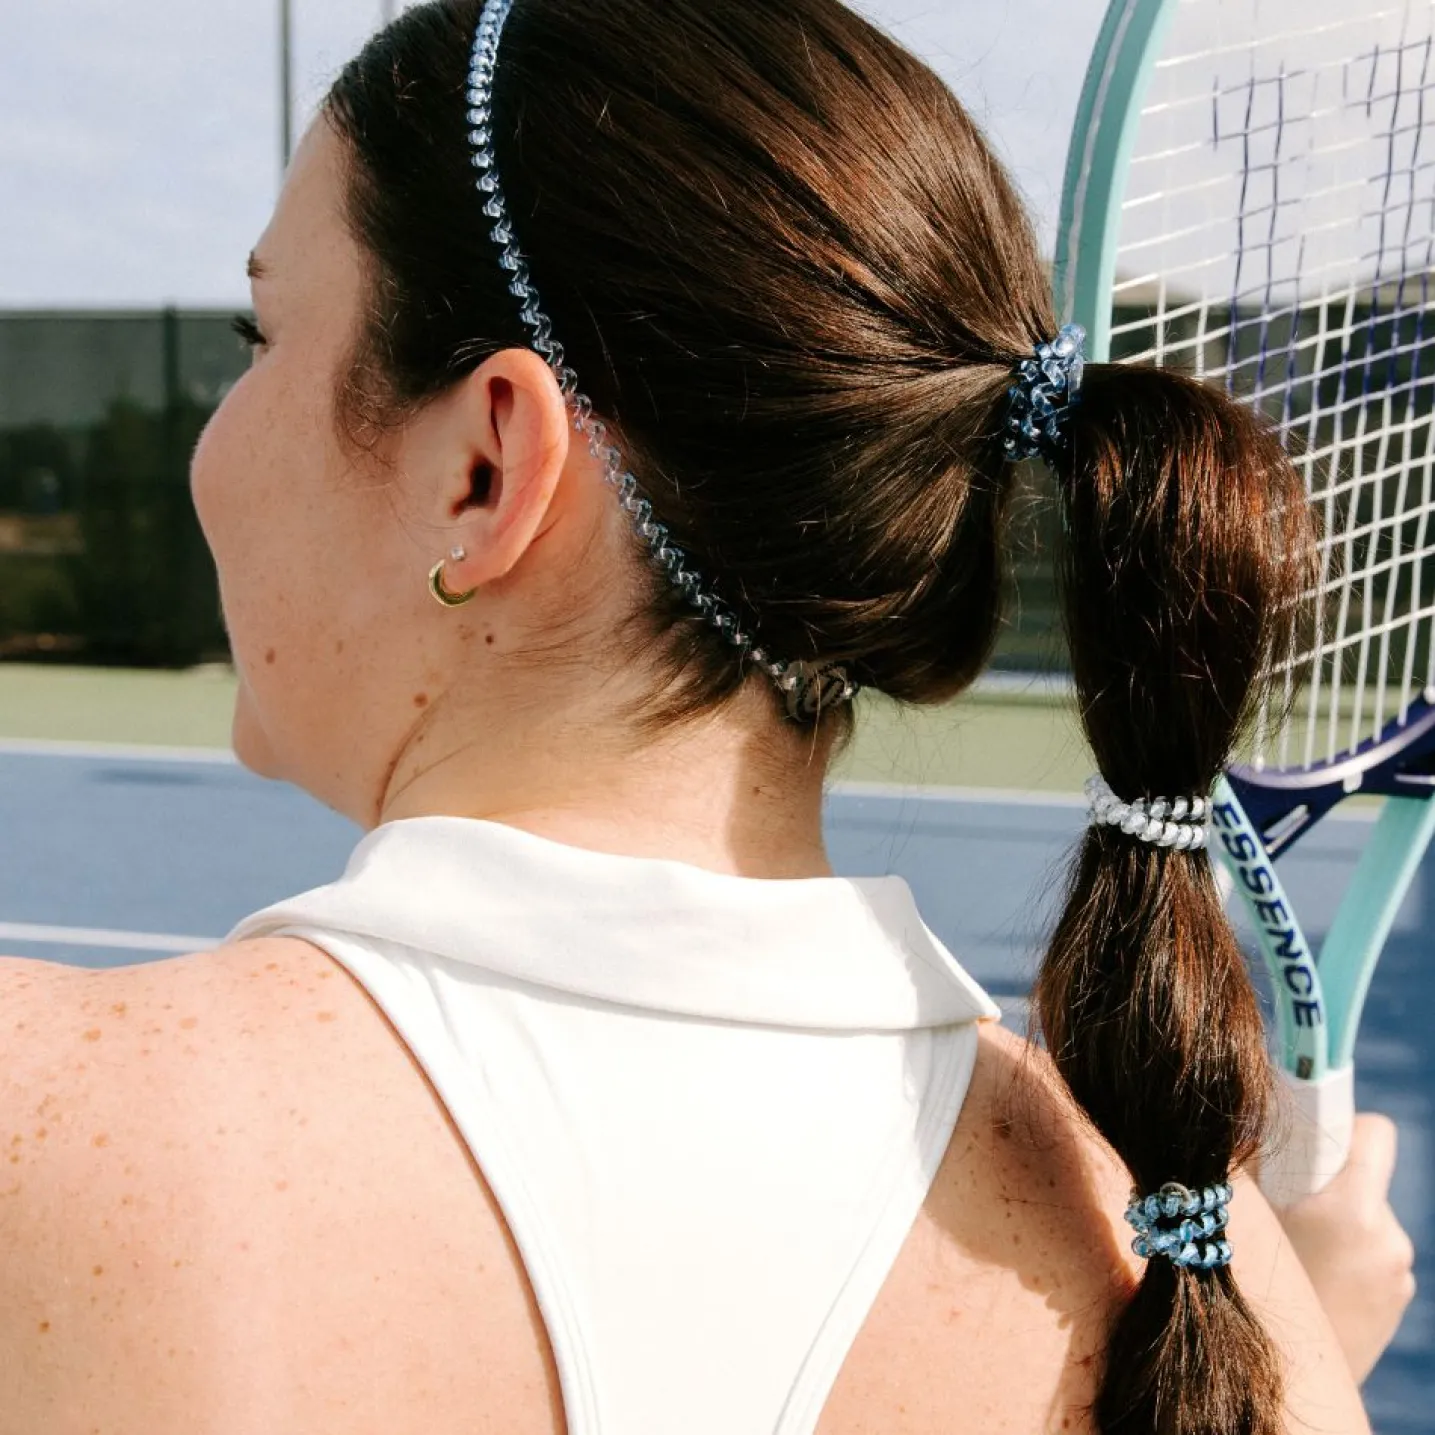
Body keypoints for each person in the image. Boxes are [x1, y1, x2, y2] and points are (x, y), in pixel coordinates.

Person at [0, 0, 1415, 1430]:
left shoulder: (45, 1133)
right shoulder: (1178, 1280)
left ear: (485, 467)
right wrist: (1300, 1368)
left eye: (263, 333)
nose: (213, 435)